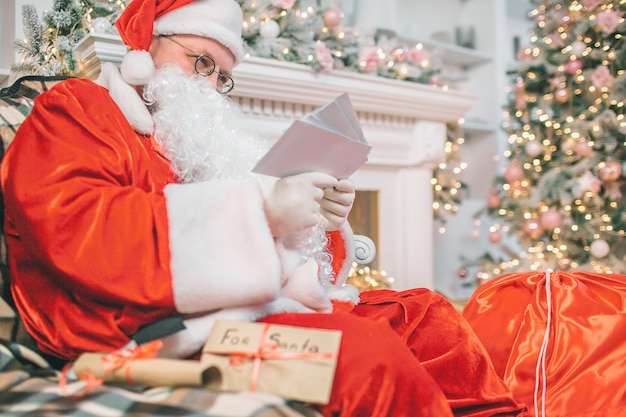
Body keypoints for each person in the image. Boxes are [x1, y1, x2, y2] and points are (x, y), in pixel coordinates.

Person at [1, 0, 528, 415]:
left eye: (221, 75)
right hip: (148, 328)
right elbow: (82, 232)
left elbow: (264, 247)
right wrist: (263, 210)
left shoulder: (186, 140)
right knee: (368, 358)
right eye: (200, 62)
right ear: (147, 48)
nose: (209, 85)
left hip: (245, 303)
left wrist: (319, 218)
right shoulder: (77, 109)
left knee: (428, 315)